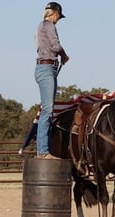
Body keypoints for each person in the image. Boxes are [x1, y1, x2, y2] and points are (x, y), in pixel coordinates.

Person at [35, 2, 69, 159]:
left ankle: (43, 149)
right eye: (58, 16)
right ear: (54, 13)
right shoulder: (48, 25)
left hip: (46, 68)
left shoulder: (40, 27)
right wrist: (64, 54)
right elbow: (55, 45)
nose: (58, 20)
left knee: (48, 109)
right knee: (48, 110)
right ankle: (43, 151)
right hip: (47, 68)